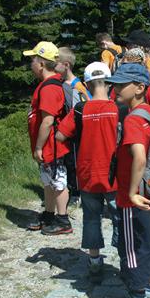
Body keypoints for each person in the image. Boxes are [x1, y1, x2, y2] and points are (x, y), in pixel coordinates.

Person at [106, 62, 150, 298]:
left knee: (132, 248)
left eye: (121, 85)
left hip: (134, 197)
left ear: (140, 88)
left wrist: (130, 193)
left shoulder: (132, 119)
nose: (115, 89)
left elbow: (139, 157)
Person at [55, 62, 121, 282]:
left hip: (87, 172)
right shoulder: (117, 108)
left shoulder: (79, 110)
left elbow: (60, 136)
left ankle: (94, 260)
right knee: (119, 216)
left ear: (87, 84)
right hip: (114, 174)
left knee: (92, 217)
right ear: (110, 83)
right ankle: (124, 257)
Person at [23, 41, 72, 235]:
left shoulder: (50, 88)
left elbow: (48, 121)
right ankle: (49, 214)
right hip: (48, 145)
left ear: (42, 64)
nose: (31, 64)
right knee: (48, 180)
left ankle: (63, 219)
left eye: (33, 60)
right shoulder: (46, 85)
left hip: (52, 145)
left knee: (58, 181)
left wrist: (38, 147)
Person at [55, 47, 88, 207]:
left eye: (56, 63)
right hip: (66, 132)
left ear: (66, 65)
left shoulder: (77, 87)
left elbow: (80, 111)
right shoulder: (62, 83)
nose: (53, 66)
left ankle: (76, 193)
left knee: (74, 162)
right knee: (68, 162)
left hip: (75, 134)